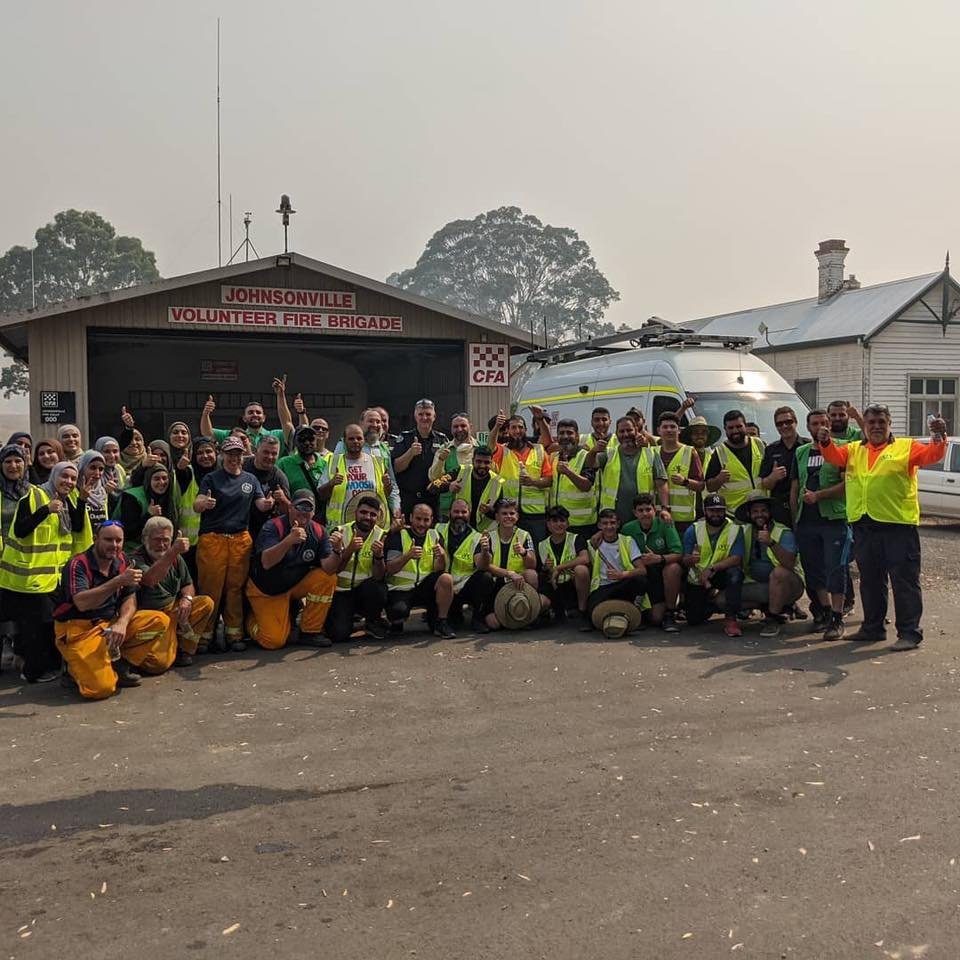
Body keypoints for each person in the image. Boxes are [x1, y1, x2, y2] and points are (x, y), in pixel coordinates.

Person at [818, 404, 947, 651]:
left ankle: (909, 633)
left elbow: (933, 454)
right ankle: (872, 628)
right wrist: (825, 441)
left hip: (897, 525)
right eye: (871, 423)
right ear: (864, 426)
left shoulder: (905, 447)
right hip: (865, 525)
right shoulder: (854, 449)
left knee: (904, 581)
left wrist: (939, 435)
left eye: (881, 422)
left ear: (889, 424)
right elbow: (833, 456)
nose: (876, 426)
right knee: (870, 581)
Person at [53, 522, 171, 699]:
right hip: (80, 629)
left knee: (159, 621)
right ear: (95, 539)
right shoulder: (78, 564)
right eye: (108, 540)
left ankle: (119, 663)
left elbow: (130, 597)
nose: (114, 545)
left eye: (118, 540)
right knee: (101, 689)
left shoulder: (123, 560)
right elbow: (82, 603)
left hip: (110, 624)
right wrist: (118, 581)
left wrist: (123, 623)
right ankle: (71, 670)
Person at [0, 455, 89, 683]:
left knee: (45, 626)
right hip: (28, 577)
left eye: (72, 478)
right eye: (64, 476)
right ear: (54, 476)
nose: (69, 481)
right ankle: (32, 673)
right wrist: (45, 510)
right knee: (35, 630)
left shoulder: (67, 499)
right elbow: (20, 529)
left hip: (50, 577)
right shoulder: (36, 495)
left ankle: (38, 667)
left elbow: (76, 527)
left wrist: (82, 500)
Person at [194, 435, 274, 653]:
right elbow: (197, 503)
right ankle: (204, 636)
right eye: (229, 454)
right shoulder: (211, 479)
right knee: (210, 589)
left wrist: (267, 504)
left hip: (240, 539)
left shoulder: (250, 479)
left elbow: (260, 503)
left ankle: (234, 634)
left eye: (237, 454)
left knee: (235, 589)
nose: (234, 458)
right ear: (222, 455)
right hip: (213, 539)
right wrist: (204, 503)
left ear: (242, 456)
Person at [246, 490, 339, 649]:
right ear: (290, 508)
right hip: (267, 591)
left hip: (293, 585)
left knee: (327, 578)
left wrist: (338, 551)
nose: (303, 512)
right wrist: (288, 541)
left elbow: (328, 569)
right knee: (274, 641)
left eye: (308, 508)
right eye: (298, 507)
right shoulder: (273, 526)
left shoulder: (319, 531)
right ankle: (249, 621)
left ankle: (310, 632)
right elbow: (266, 562)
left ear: (313, 512)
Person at [790, 409, 850, 640]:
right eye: (815, 423)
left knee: (835, 568)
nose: (820, 427)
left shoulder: (843, 448)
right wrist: (796, 518)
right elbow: (796, 487)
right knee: (813, 569)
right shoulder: (801, 452)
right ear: (808, 427)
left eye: (824, 422)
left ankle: (837, 617)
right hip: (807, 520)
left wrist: (820, 496)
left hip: (832, 519)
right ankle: (824, 611)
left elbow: (846, 485)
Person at [130, 517, 215, 667]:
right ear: (145, 539)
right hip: (151, 619)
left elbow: (188, 584)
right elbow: (150, 580)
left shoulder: (175, 558)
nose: (162, 545)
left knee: (205, 603)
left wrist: (187, 599)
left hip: (172, 612)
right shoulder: (136, 559)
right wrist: (173, 551)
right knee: (158, 664)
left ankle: (184, 649)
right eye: (157, 540)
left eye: (166, 540)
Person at [734, 491, 805, 640]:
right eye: (755, 511)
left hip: (788, 583)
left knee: (778, 573)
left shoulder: (783, 531)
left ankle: (772, 618)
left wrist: (770, 542)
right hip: (757, 584)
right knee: (721, 601)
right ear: (749, 514)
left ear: (770, 512)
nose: (759, 515)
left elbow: (789, 564)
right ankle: (772, 607)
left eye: (763, 511)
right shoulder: (744, 531)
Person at [383, 502, 453, 637]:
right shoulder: (398, 535)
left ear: (432, 520)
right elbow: (390, 568)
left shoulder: (435, 535)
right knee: (398, 613)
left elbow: (440, 569)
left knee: (446, 578)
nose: (422, 524)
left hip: (424, 588)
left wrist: (442, 556)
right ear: (410, 518)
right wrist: (407, 556)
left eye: (426, 520)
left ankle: (441, 622)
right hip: (401, 589)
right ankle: (396, 621)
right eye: (418, 519)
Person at [325, 496, 389, 643]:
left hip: (364, 591)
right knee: (339, 635)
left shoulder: (382, 536)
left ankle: (372, 621)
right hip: (341, 592)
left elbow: (379, 577)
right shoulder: (339, 532)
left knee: (378, 588)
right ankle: (343, 619)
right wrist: (349, 551)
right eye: (363, 512)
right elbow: (334, 569)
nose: (367, 517)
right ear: (355, 513)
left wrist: (379, 557)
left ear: (378, 517)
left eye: (373, 515)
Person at [585, 416, 669, 527]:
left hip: (643, 517)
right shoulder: (609, 453)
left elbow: (661, 484)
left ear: (636, 430)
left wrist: (665, 509)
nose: (625, 434)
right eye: (621, 431)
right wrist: (593, 451)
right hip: (613, 520)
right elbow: (590, 464)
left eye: (629, 430)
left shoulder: (651, 454)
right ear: (617, 434)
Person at [681, 493, 745, 636]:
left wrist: (712, 568)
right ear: (705, 511)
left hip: (721, 573)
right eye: (712, 510)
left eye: (720, 510)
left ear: (725, 511)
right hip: (699, 578)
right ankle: (712, 602)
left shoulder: (734, 529)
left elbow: (737, 558)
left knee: (735, 574)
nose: (716, 514)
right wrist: (690, 560)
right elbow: (684, 559)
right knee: (694, 620)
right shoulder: (694, 529)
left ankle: (731, 619)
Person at [479, 498, 545, 631]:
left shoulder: (524, 535)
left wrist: (524, 553)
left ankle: (527, 612)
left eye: (512, 513)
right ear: (497, 516)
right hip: (496, 584)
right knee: (494, 624)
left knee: (532, 575)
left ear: (517, 516)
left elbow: (532, 565)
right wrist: (509, 573)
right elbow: (485, 566)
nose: (508, 517)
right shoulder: (488, 537)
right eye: (504, 513)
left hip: (518, 584)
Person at [621, 493, 684, 632]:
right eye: (640, 510)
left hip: (661, 573)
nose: (645, 514)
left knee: (673, 568)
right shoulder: (627, 529)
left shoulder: (666, 524)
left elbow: (678, 554)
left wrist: (659, 558)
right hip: (640, 576)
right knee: (654, 618)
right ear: (634, 513)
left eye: (648, 509)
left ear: (655, 510)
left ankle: (670, 612)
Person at [435, 498, 495, 633]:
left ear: (469, 513)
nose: (460, 515)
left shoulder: (478, 537)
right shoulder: (437, 529)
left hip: (465, 587)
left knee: (485, 577)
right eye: (456, 511)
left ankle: (477, 618)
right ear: (449, 512)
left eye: (464, 512)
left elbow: (482, 565)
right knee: (443, 621)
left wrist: (485, 552)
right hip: (444, 586)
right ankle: (448, 615)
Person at [491, 414, 552, 544]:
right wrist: (497, 426)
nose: (517, 431)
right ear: (508, 431)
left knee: (536, 549)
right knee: (514, 550)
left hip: (535, 515)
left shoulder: (539, 450)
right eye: (513, 427)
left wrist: (533, 482)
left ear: (525, 430)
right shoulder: (503, 450)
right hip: (510, 513)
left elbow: (549, 480)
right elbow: (489, 447)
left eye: (520, 427)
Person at [321, 424, 397, 527]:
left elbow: (386, 494)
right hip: (341, 528)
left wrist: (388, 486)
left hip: (372, 528)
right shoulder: (333, 462)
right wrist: (331, 483)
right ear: (344, 441)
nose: (355, 441)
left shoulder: (378, 462)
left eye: (359, 438)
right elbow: (321, 495)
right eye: (351, 439)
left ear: (364, 440)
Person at [584, 508, 649, 626]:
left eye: (612, 523)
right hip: (602, 587)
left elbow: (642, 570)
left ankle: (637, 609)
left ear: (618, 524)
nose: (609, 527)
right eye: (605, 523)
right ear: (599, 525)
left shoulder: (627, 541)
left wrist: (622, 575)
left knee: (640, 580)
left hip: (622, 584)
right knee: (593, 617)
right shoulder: (591, 543)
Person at [199, 375, 295, 450]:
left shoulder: (276, 435)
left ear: (264, 417)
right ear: (244, 418)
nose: (255, 414)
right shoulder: (235, 435)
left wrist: (280, 395)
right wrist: (206, 413)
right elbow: (207, 433)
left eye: (258, 412)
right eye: (250, 412)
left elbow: (287, 423)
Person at [392, 399, 449, 516]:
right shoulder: (404, 438)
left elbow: (448, 472)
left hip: (433, 499)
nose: (424, 418)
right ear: (415, 416)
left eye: (428, 414)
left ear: (434, 416)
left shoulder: (442, 440)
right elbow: (396, 468)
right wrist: (410, 453)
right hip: (409, 499)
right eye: (420, 414)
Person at [704, 410, 765, 514]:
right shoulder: (719, 452)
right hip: (734, 514)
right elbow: (710, 487)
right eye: (731, 428)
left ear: (745, 426)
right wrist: (718, 480)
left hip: (760, 511)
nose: (735, 431)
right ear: (725, 430)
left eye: (739, 426)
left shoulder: (759, 444)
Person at [537, 505, 590, 621]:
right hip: (553, 586)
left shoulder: (576, 538)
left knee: (581, 570)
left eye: (562, 520)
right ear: (548, 524)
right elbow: (541, 571)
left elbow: (585, 559)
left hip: (572, 585)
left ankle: (582, 611)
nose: (559, 524)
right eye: (554, 521)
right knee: (539, 604)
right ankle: (549, 612)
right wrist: (546, 568)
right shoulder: (542, 545)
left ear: (567, 523)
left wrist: (558, 568)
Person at [654, 412, 703, 532]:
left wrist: (685, 482)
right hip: (656, 517)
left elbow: (701, 485)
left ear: (679, 430)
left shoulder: (690, 452)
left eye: (673, 427)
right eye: (665, 427)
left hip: (683, 520)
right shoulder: (652, 452)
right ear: (658, 431)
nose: (669, 430)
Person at [759, 406, 810, 520]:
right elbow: (765, 484)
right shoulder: (771, 450)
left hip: (806, 506)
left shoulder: (808, 446)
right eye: (779, 424)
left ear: (796, 422)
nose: (784, 426)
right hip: (780, 509)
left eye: (788, 422)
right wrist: (772, 477)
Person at [548, 419, 596, 535]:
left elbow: (586, 485)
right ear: (557, 437)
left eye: (569, 433)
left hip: (581, 524)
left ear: (577, 436)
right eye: (561, 433)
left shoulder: (586, 456)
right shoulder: (553, 457)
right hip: (558, 523)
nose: (565, 436)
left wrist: (568, 472)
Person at [117, 464, 176, 554]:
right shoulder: (132, 497)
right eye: (156, 479)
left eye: (165, 478)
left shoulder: (168, 497)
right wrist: (149, 515)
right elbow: (128, 532)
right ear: (148, 480)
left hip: (160, 549)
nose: (162, 482)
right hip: (133, 551)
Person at [428, 413, 476, 519]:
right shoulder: (443, 449)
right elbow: (434, 478)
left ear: (470, 427)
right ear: (451, 429)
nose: (459, 429)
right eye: (455, 426)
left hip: (474, 508)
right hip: (448, 510)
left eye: (463, 426)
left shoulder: (479, 449)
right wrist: (441, 460)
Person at [443, 446, 504, 531]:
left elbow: (502, 515)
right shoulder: (461, 471)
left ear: (491, 463)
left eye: (486, 462)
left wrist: (489, 511)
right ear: (472, 461)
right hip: (461, 529)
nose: (482, 465)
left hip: (485, 533)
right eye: (479, 461)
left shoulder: (498, 482)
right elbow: (433, 487)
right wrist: (449, 485)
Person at [243, 435, 291, 540]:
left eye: (274, 454)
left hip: (266, 531)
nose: (270, 457)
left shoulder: (279, 477)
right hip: (240, 528)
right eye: (266, 452)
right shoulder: (242, 466)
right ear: (256, 451)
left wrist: (283, 500)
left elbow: (289, 512)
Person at [277, 425, 326, 507]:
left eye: (311, 439)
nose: (307, 443)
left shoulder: (325, 464)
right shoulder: (283, 463)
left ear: (316, 440)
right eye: (302, 439)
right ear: (295, 442)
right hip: (294, 514)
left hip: (320, 516)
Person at [78, 449, 121, 533]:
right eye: (92, 468)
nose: (97, 473)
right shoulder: (73, 492)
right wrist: (81, 500)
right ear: (83, 467)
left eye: (101, 469)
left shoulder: (102, 492)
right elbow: (76, 525)